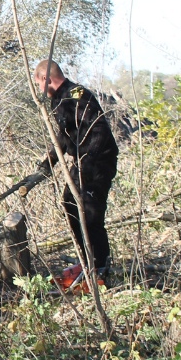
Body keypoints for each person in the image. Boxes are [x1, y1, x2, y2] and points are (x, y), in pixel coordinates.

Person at [20, 60, 118, 285]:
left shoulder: (77, 94)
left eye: (38, 84)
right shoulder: (58, 101)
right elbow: (64, 138)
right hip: (83, 163)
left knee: (91, 214)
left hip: (98, 163)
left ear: (46, 79)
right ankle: (86, 262)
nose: (39, 90)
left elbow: (100, 129)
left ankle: (100, 269)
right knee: (69, 203)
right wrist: (48, 163)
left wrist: (88, 160)